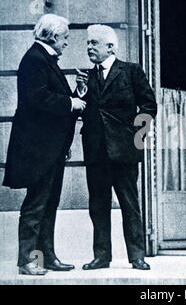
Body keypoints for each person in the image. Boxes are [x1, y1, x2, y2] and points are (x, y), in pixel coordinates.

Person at [2, 14, 86, 275]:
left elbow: (51, 99)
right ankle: (28, 261)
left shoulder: (42, 59)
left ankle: (44, 258)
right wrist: (70, 103)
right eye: (65, 38)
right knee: (37, 204)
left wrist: (77, 93)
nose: (67, 43)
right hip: (38, 150)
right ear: (52, 36)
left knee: (48, 203)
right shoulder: (35, 60)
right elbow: (37, 99)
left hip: (49, 148)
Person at [76, 24, 157, 271]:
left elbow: (149, 106)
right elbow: (79, 108)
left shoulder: (131, 71)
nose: (89, 47)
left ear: (110, 47)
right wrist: (80, 91)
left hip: (124, 152)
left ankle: (137, 256)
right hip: (96, 152)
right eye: (88, 43)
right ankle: (102, 257)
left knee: (130, 205)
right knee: (98, 206)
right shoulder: (86, 77)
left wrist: (136, 137)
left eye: (94, 43)